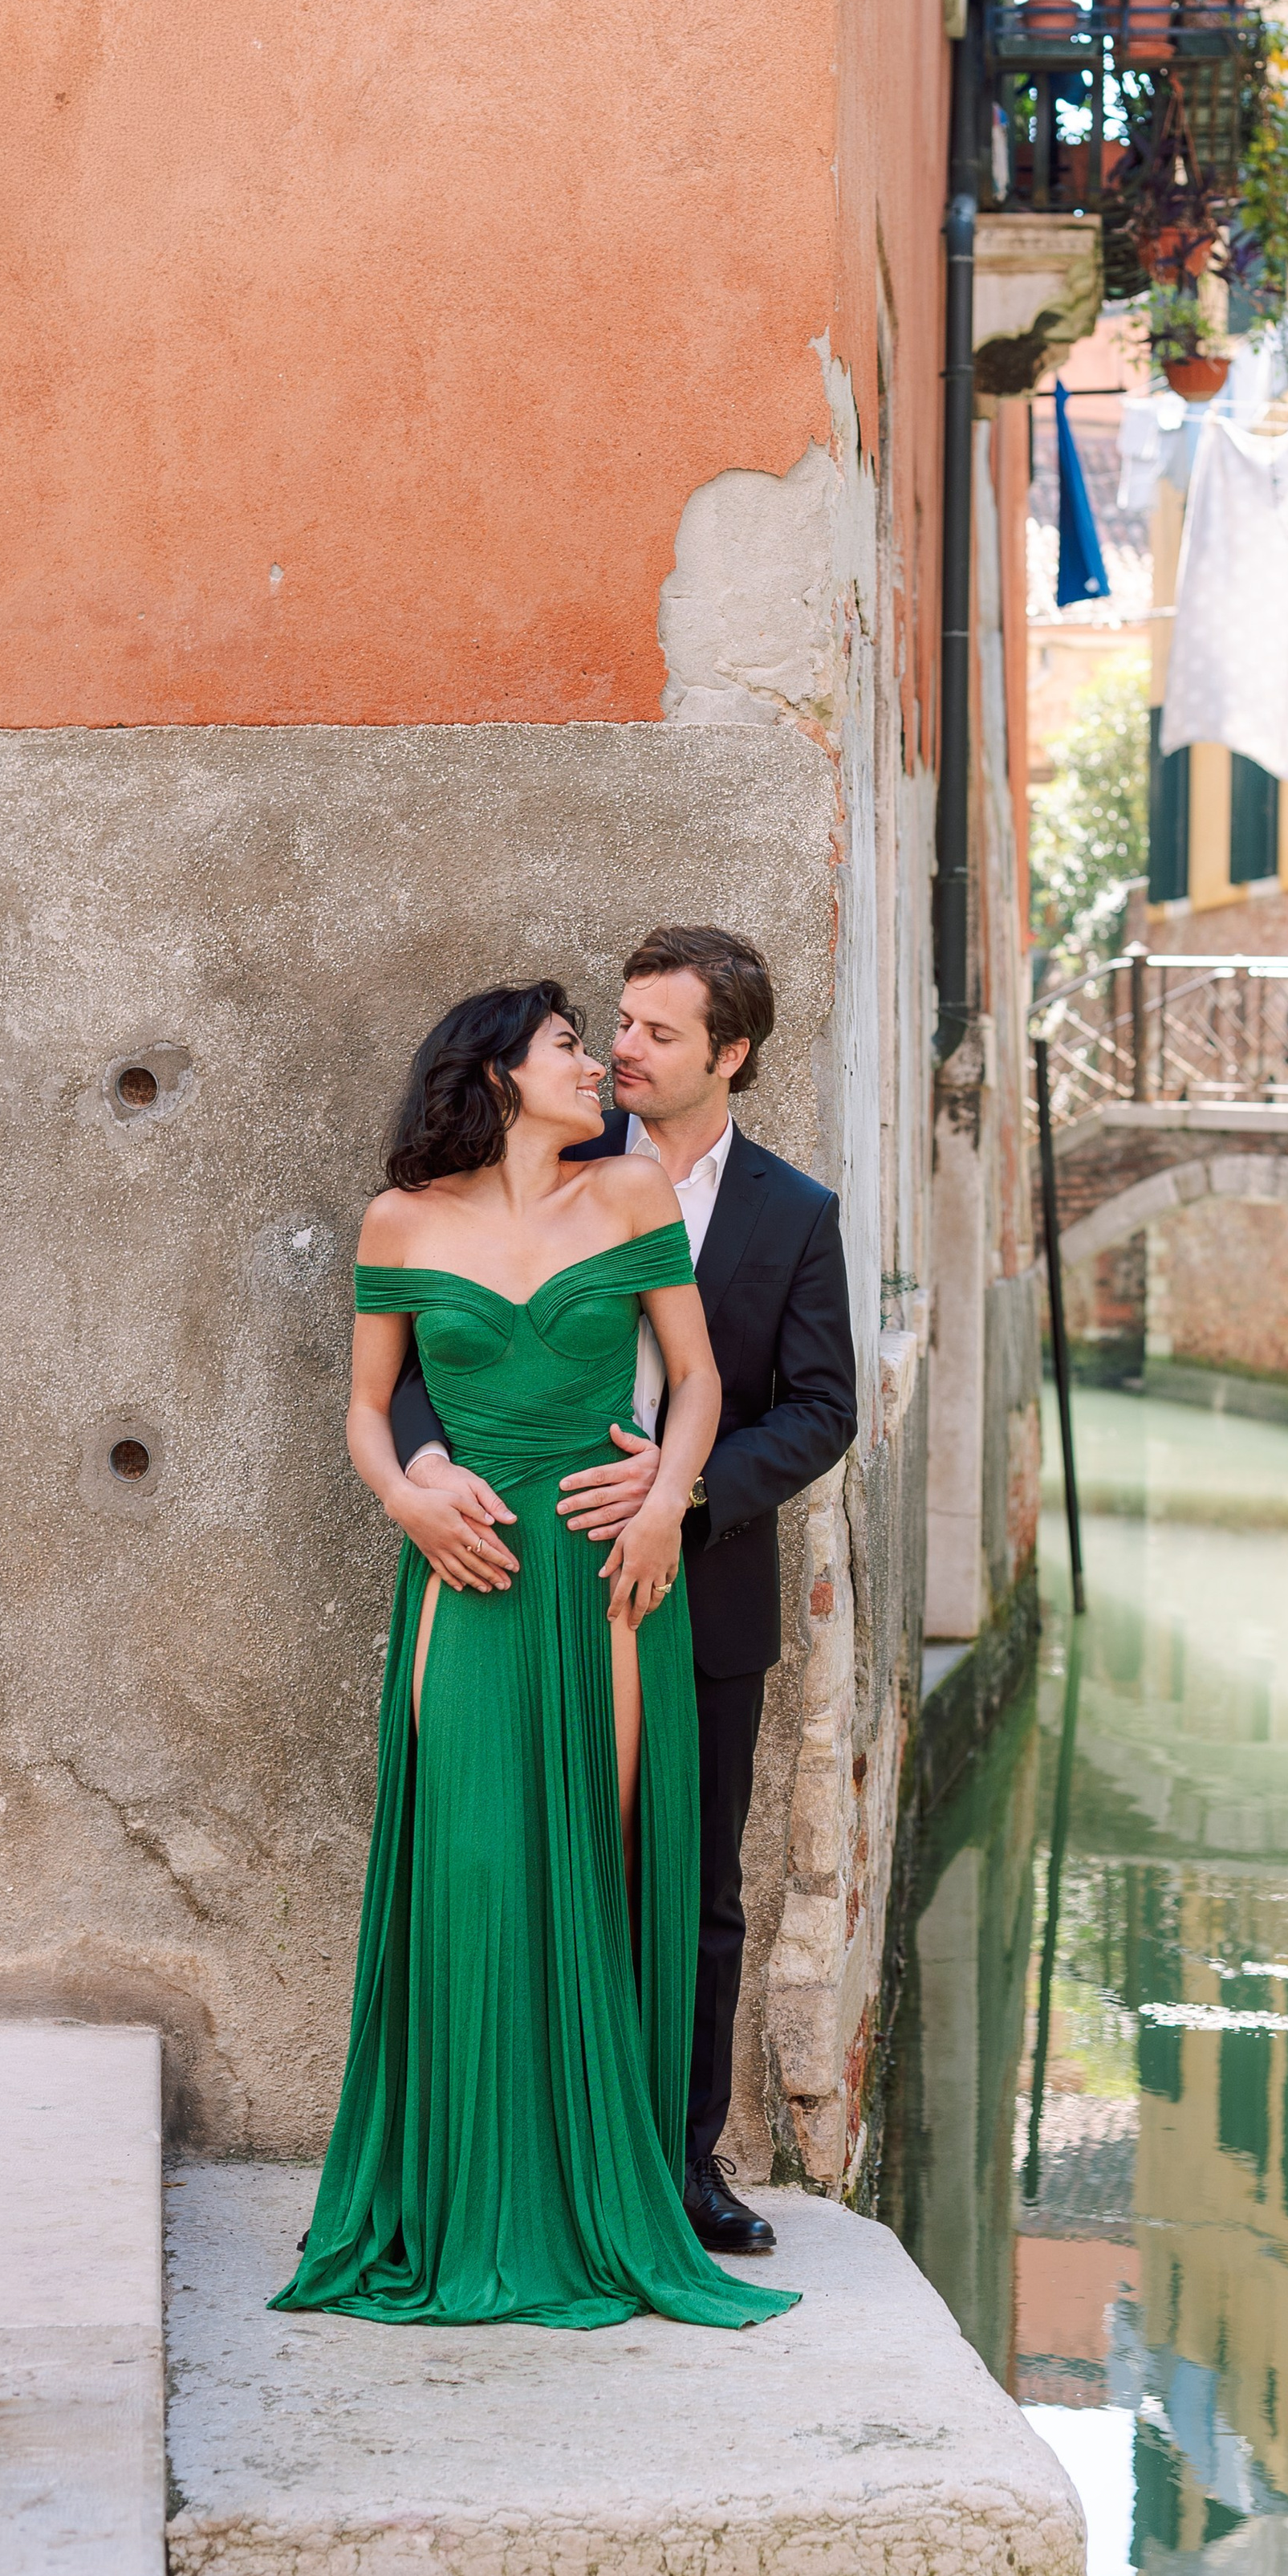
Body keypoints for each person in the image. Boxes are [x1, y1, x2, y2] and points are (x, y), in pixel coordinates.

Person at [274, 979, 798, 2332]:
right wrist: (406, 1497)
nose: (598, 1063)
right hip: (467, 1572)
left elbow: (698, 1384)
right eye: (573, 1044)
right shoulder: (401, 1223)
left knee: (592, 1869)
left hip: (609, 1579)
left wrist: (669, 1504)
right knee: (473, 1869)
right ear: (498, 1073)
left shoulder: (626, 1201)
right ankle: (462, 2197)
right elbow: (366, 1406)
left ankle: (582, 2199)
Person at [390, 928, 857, 2256]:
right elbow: (426, 1338)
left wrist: (681, 1497)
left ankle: (680, 2159)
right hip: (523, 1578)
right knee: (525, 1861)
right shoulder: (549, 1162)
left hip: (699, 1593)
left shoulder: (795, 1216)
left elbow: (823, 1409)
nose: (626, 1051)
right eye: (619, 1027)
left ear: (733, 1055)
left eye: (658, 1032)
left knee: (694, 1885)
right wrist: (424, 1464)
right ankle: (528, 2154)